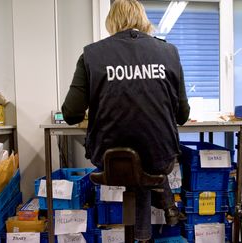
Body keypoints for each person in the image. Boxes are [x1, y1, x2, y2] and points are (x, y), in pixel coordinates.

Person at [62, 0, 190, 241]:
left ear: (111, 21)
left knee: (131, 156)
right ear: (143, 20)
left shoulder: (92, 54)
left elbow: (70, 114)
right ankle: (148, 229)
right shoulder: (169, 52)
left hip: (108, 156)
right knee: (146, 155)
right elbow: (182, 115)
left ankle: (140, 233)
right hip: (160, 156)